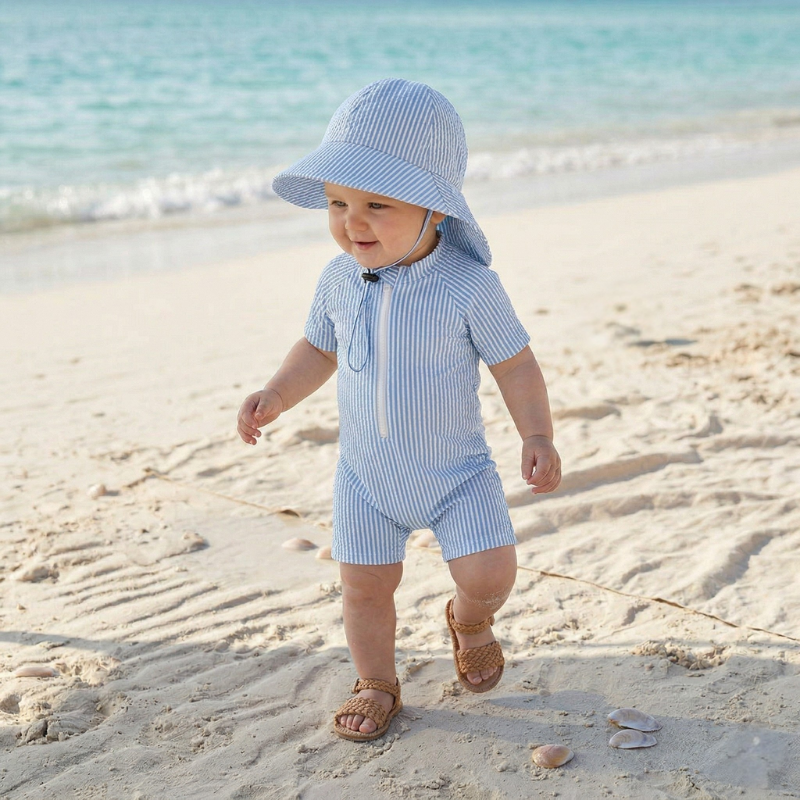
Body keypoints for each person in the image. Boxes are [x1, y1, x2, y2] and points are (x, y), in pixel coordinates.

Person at [236, 79, 561, 742]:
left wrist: (538, 434)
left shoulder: (469, 286)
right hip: (366, 477)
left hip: (456, 474)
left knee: (490, 571)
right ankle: (377, 682)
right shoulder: (335, 280)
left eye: (376, 204)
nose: (351, 222)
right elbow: (317, 350)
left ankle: (470, 621)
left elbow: (516, 365)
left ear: (437, 210)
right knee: (363, 587)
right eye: (337, 202)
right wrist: (275, 394)